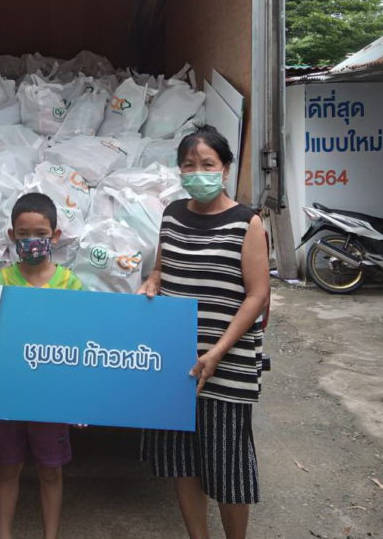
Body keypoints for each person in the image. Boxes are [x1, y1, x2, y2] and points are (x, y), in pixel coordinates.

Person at [137, 125, 269, 539]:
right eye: (189, 165)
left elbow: (257, 295)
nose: (198, 173)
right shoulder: (172, 214)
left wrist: (217, 352)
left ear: (225, 169)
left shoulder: (247, 223)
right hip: (176, 360)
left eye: (207, 164)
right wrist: (152, 281)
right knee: (182, 461)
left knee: (228, 466)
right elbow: (162, 268)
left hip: (226, 363)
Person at [0, 192, 84, 539]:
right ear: (11, 236)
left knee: (51, 472)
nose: (31, 241)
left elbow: (80, 346)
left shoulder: (71, 284)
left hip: (51, 398)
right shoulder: (1, 281)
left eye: (40, 234)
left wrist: (80, 401)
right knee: (7, 469)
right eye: (23, 234)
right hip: (8, 396)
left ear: (55, 235)